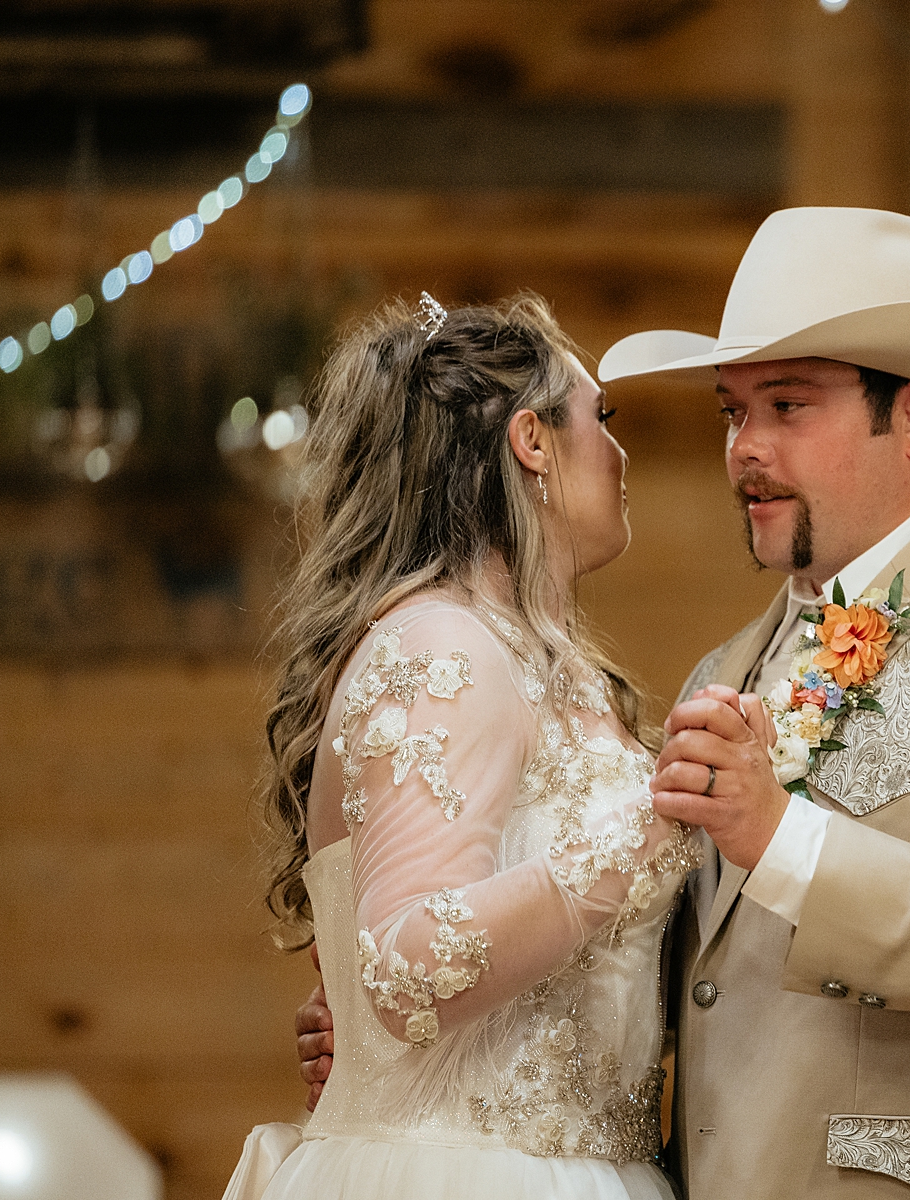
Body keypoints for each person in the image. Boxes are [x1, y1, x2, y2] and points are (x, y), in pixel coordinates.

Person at [300, 207, 910, 1197]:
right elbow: (697, 976)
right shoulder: (734, 662)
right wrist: (427, 1053)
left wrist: (785, 838)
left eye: (789, 407)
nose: (743, 450)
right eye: (734, 411)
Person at [228, 292, 700, 1200]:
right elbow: (407, 968)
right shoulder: (443, 646)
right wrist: (646, 831)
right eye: (602, 418)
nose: (621, 451)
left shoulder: (548, 667)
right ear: (532, 441)